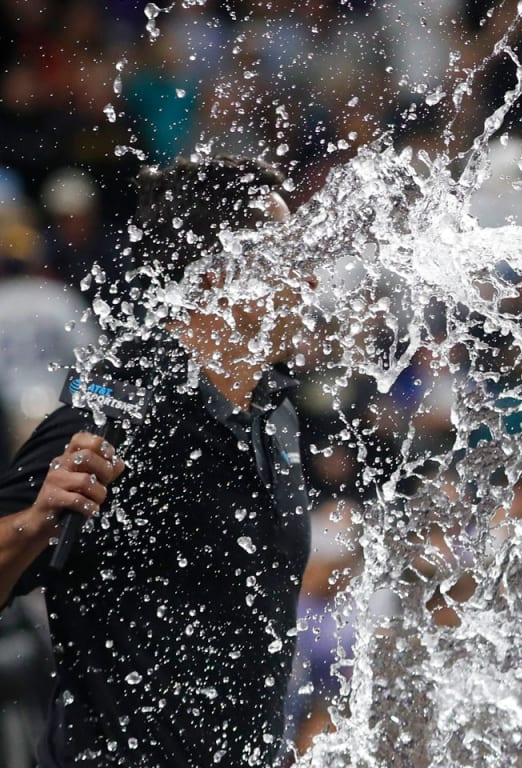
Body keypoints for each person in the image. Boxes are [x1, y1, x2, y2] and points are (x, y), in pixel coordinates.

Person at [0, 156, 314, 767]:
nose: (308, 281)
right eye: (287, 260)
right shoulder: (120, 404)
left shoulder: (276, 413)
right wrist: (39, 517)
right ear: (214, 276)